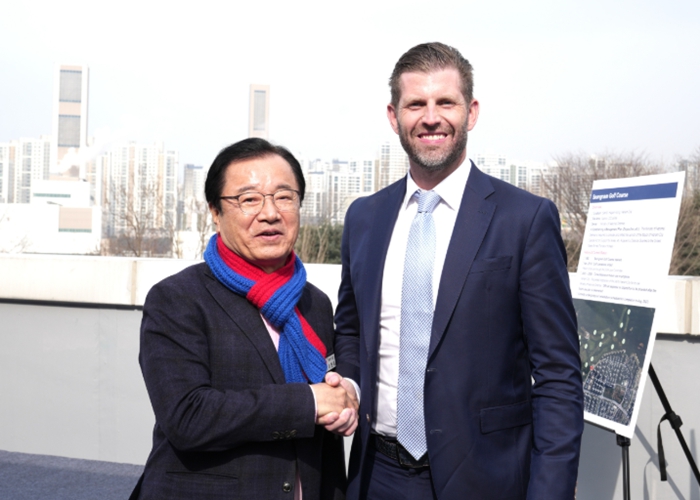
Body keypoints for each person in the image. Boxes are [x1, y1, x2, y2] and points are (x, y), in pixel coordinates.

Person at [333, 42, 584, 499]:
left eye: (445, 102)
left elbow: (558, 375)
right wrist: (348, 383)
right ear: (394, 116)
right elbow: (350, 329)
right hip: (376, 477)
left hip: (487, 479)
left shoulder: (524, 219)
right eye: (416, 104)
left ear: (471, 112)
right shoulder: (364, 218)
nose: (431, 118)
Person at [131, 138, 356, 500]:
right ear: (215, 212)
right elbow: (187, 417)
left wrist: (341, 408)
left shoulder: (314, 303)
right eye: (249, 199)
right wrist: (309, 403)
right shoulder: (178, 299)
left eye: (284, 197)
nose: (270, 213)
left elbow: (328, 410)